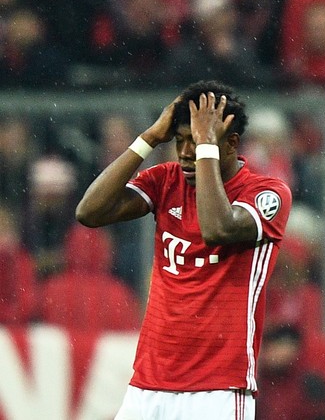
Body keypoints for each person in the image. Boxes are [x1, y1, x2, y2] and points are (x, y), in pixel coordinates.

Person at [76, 80, 292, 419]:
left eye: (198, 141)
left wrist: (206, 144)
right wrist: (147, 139)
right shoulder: (166, 180)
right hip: (148, 383)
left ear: (231, 143)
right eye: (181, 141)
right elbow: (89, 212)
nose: (187, 153)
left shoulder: (267, 194)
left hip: (218, 388)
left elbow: (217, 228)